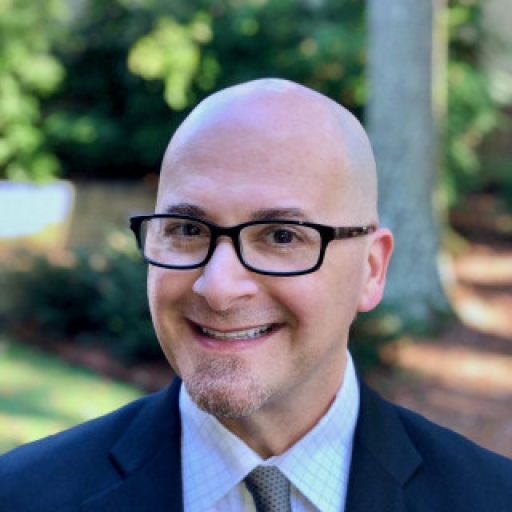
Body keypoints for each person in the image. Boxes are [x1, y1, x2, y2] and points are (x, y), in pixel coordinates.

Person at [0, 78, 511, 512]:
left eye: (281, 236)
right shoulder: (21, 495)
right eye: (187, 229)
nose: (218, 287)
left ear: (371, 270)